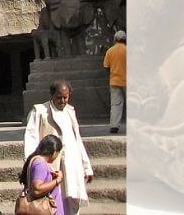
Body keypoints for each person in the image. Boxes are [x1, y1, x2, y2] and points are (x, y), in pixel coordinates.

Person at [25, 80, 93, 213]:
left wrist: (87, 167)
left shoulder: (70, 112)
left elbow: (77, 140)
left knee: (72, 199)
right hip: (51, 167)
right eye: (59, 97)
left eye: (65, 97)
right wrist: (31, 164)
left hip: (72, 165)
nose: (62, 101)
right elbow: (31, 139)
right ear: (52, 95)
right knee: (54, 201)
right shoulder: (40, 112)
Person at [21, 134, 67, 215]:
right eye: (58, 153)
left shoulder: (40, 162)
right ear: (54, 152)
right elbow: (37, 189)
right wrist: (57, 180)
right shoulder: (40, 164)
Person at [104, 31, 126, 133]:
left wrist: (113, 72)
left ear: (115, 39)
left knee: (116, 104)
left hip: (114, 81)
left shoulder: (110, 51)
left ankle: (114, 126)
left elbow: (106, 67)